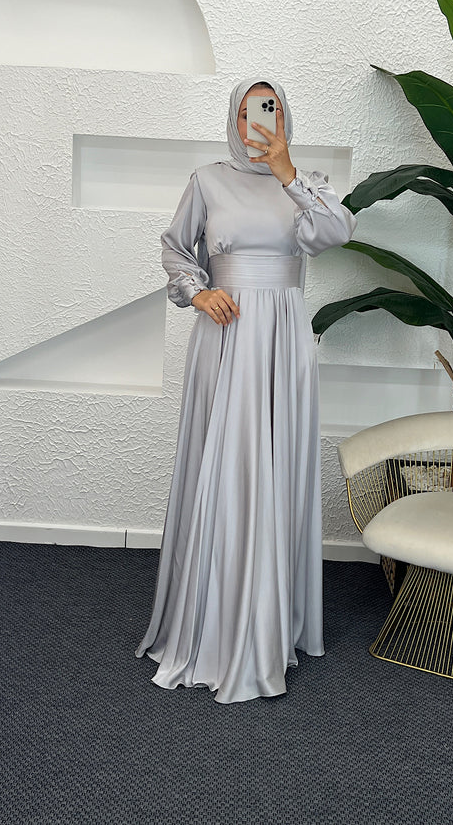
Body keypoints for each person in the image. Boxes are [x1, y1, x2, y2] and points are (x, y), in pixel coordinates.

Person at [136, 76, 357, 704]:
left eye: (273, 109)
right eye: (251, 110)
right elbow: (175, 247)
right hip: (227, 335)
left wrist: (288, 173)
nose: (261, 120)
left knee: (275, 465)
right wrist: (198, 291)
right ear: (233, 118)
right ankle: (214, 618)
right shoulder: (208, 181)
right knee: (227, 465)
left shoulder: (307, 183)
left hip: (284, 340)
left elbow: (337, 233)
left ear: (285, 117)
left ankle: (270, 621)